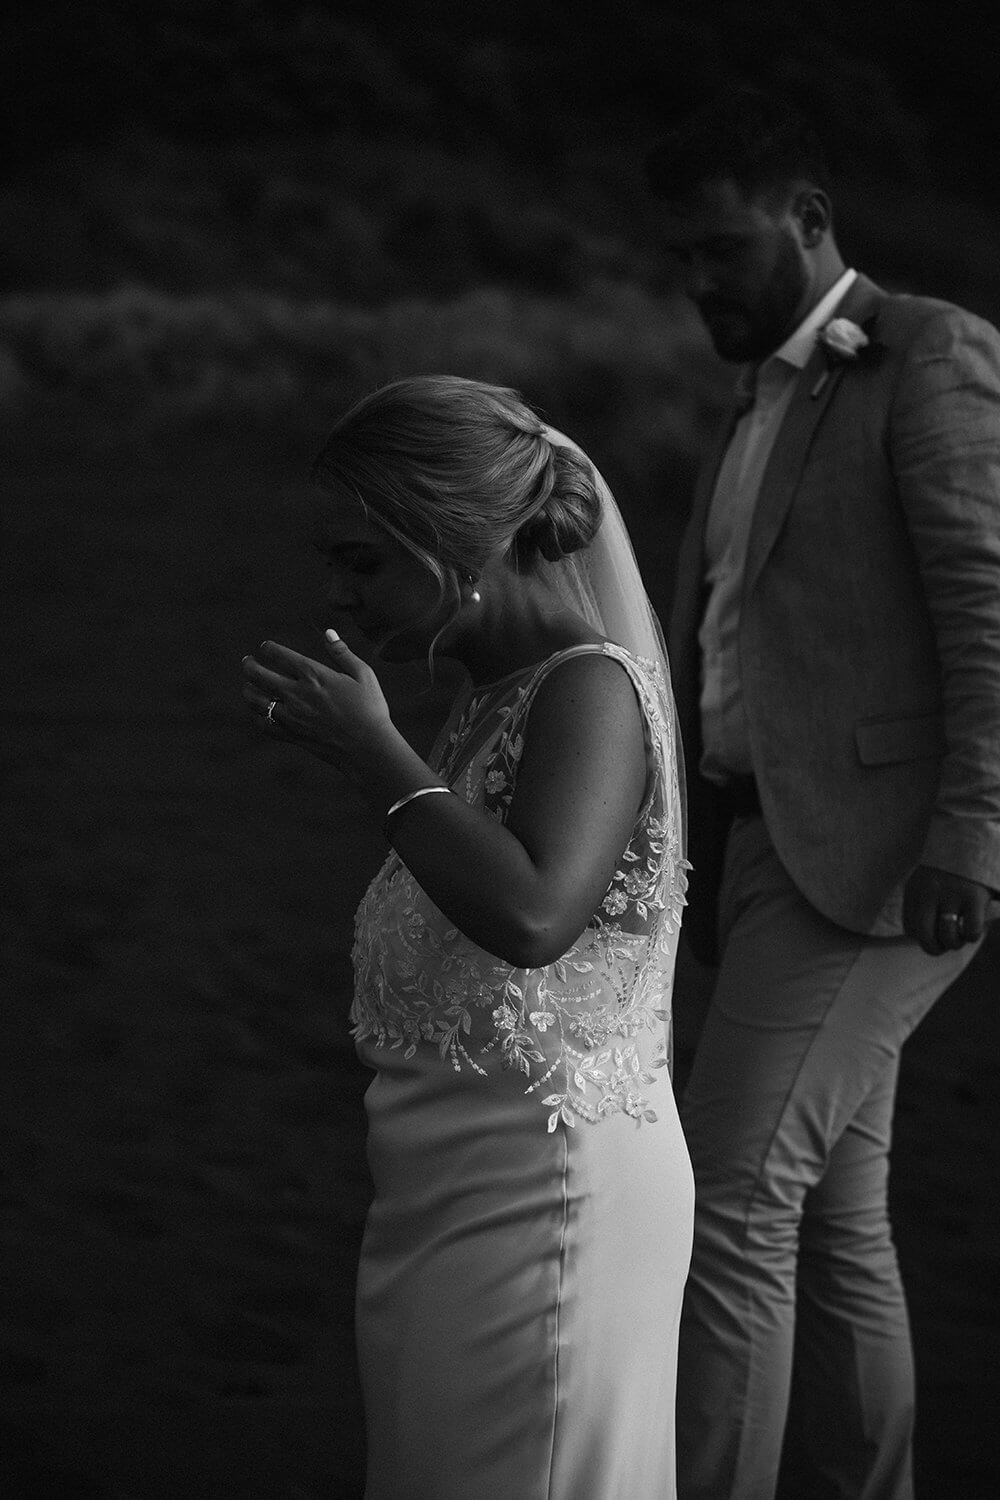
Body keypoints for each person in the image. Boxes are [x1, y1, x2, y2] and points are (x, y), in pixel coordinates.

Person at [241, 375, 694, 1499]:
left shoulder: (588, 690)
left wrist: (375, 757)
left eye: (361, 559)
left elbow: (536, 914)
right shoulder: (489, 698)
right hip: (437, 1205)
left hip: (550, 1204)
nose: (336, 594)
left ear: (458, 544)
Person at [645, 89, 1000, 1500]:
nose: (694, 285)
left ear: (807, 218)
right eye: (678, 256)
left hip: (882, 862)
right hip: (756, 845)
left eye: (720, 250)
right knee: (836, 1216)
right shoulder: (764, 391)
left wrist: (974, 831)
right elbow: (738, 627)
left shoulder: (933, 356)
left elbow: (987, 607)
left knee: (726, 1204)